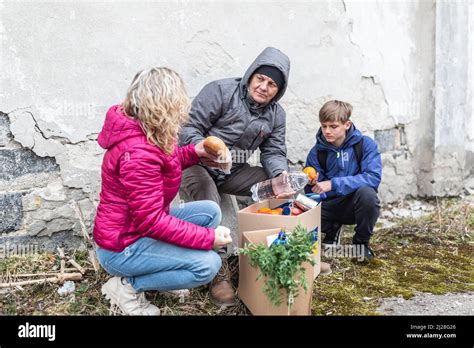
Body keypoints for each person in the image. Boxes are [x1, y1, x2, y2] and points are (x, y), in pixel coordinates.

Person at [93, 67, 232, 315]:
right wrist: (208, 239)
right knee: (207, 265)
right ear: (161, 107)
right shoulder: (137, 154)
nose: (182, 109)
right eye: (177, 102)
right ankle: (127, 287)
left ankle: (164, 271)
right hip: (123, 247)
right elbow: (151, 222)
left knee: (209, 212)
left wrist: (193, 153)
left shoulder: (144, 131)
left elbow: (161, 162)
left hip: (135, 230)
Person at [178, 47, 291, 306]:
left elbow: (273, 151)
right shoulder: (220, 91)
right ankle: (218, 272)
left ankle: (277, 253)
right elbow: (189, 127)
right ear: (251, 74)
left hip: (233, 171)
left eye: (272, 84)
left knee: (275, 186)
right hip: (196, 164)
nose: (264, 87)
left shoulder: (276, 114)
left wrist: (279, 175)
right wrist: (205, 149)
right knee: (209, 201)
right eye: (260, 79)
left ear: (279, 89)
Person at [305, 100, 382, 260]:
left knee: (368, 195)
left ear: (347, 124)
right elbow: (311, 192)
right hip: (329, 205)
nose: (327, 131)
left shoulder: (365, 145)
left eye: (333, 126)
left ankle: (361, 244)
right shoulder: (317, 152)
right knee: (303, 207)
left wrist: (333, 183)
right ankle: (332, 229)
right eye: (323, 126)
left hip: (353, 205)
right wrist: (312, 183)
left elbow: (372, 178)